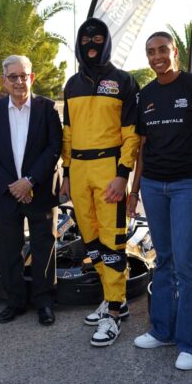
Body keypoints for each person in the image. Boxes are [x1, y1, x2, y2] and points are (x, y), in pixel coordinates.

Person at [127, 32, 192, 370]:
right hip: (153, 186)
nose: (157, 56)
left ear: (175, 51)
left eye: (163, 49)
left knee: (185, 263)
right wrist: (134, 191)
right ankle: (163, 331)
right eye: (151, 52)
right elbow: (142, 148)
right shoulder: (145, 95)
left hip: (187, 185)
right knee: (162, 259)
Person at [59, 18, 140, 346]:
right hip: (78, 170)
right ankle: (112, 297)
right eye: (85, 39)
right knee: (91, 241)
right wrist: (66, 174)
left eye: (97, 39)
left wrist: (123, 174)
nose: (91, 44)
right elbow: (67, 133)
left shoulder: (124, 81)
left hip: (109, 168)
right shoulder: (71, 84)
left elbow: (131, 135)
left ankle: (114, 312)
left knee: (112, 242)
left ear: (107, 42)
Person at [0, 55, 62, 325]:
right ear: (4, 81)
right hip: (5, 194)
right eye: (12, 77)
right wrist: (13, 185)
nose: (18, 81)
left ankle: (45, 302)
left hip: (40, 192)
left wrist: (30, 181)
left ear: (32, 77)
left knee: (43, 248)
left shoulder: (47, 108)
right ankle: (15, 301)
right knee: (8, 250)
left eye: (23, 76)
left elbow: (54, 148)